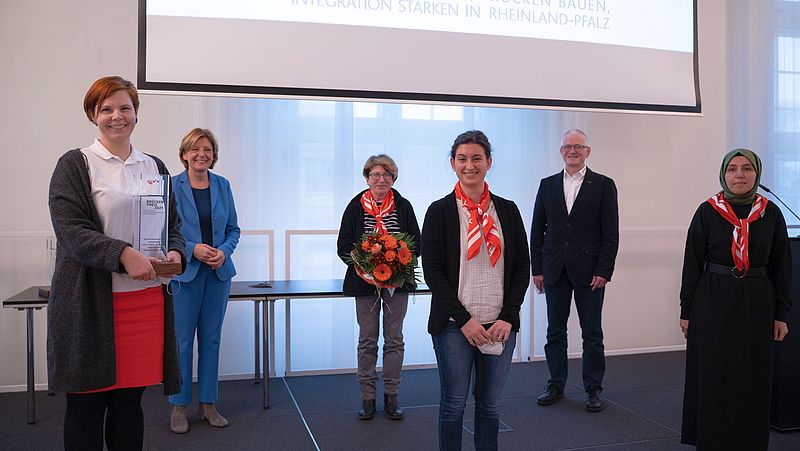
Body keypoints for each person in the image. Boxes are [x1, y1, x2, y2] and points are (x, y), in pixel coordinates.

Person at [47, 76, 185, 451]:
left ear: (136, 114)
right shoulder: (76, 164)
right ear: (93, 115)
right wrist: (123, 254)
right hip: (91, 308)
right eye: (106, 109)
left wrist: (175, 251)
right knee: (86, 408)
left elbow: (173, 225)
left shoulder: (154, 165)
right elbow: (72, 231)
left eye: (125, 107)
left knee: (129, 404)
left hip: (145, 302)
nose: (117, 116)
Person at [422, 130, 530, 450]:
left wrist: (508, 316)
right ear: (453, 164)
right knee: (453, 404)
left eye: (477, 158)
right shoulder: (439, 211)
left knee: (490, 405)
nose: (469, 165)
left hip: (499, 325)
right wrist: (464, 320)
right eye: (462, 159)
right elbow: (433, 273)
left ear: (489, 162)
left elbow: (521, 267)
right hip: (454, 326)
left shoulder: (508, 210)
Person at [679, 149, 791, 450]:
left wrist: (782, 314)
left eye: (746, 168)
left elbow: (782, 267)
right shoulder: (707, 211)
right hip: (713, 299)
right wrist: (686, 311)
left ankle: (749, 441)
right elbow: (692, 264)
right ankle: (711, 439)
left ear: (757, 174)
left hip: (757, 300)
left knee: (752, 373)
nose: (739, 175)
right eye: (732, 169)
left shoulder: (771, 213)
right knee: (714, 371)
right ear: (723, 174)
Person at [530, 128, 619, 412]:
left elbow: (611, 233)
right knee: (555, 332)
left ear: (587, 151)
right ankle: (556, 385)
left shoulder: (604, 185)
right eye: (568, 146)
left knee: (592, 334)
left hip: (590, 272)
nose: (572, 151)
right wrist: (537, 268)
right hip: (554, 269)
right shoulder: (547, 185)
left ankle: (593, 389)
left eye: (578, 146)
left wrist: (604, 270)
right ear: (561, 151)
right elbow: (537, 230)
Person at [337, 154, 421, 420]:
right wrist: (367, 267)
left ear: (393, 178)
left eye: (386, 175)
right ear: (367, 179)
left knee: (394, 340)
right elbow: (343, 246)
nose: (381, 179)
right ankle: (368, 398)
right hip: (365, 284)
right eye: (375, 175)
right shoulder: (355, 206)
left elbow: (416, 244)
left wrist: (396, 265)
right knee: (367, 340)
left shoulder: (403, 206)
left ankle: (392, 396)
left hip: (397, 283)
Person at [168, 128, 241, 433]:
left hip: (218, 274)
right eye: (195, 149)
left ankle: (208, 404)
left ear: (214, 155)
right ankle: (179, 406)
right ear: (184, 153)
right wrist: (191, 249)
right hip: (185, 274)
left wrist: (224, 251)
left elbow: (234, 229)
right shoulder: (171, 186)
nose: (202, 154)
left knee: (211, 340)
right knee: (182, 342)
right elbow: (164, 231)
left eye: (208, 149)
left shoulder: (223, 185)